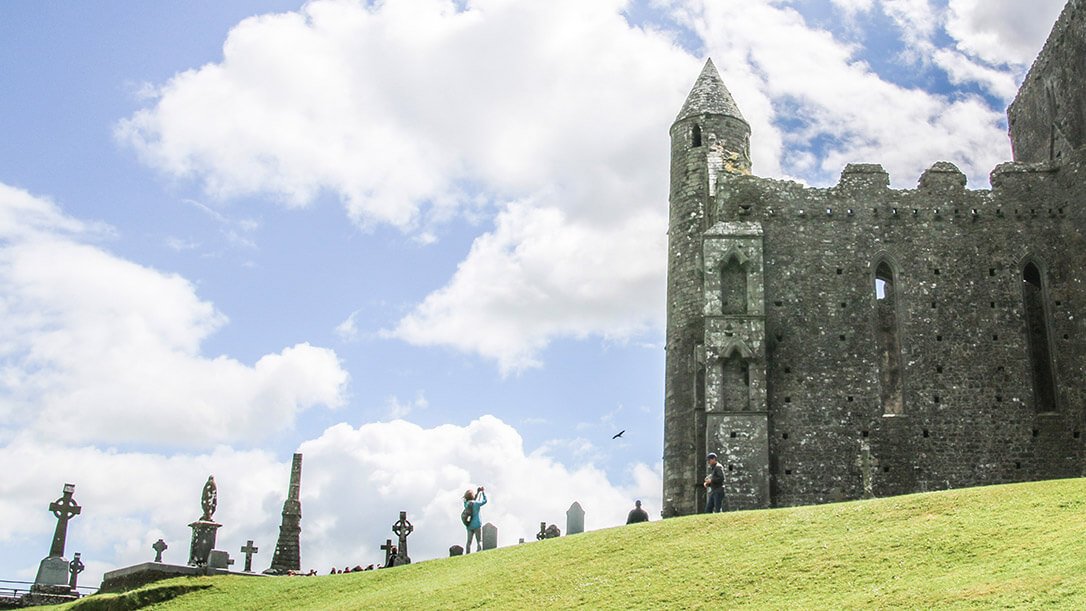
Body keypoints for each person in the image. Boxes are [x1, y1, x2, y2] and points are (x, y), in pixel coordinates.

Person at [463, 486, 487, 553]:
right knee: (479, 540)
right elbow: (485, 501)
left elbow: (471, 501)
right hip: (477, 524)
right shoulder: (477, 503)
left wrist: (477, 493)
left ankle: (467, 553)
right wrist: (482, 492)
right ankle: (479, 551)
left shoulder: (466, 504)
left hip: (469, 525)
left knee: (469, 542)